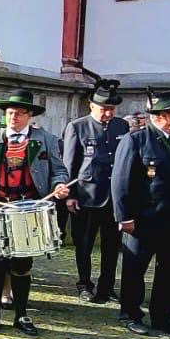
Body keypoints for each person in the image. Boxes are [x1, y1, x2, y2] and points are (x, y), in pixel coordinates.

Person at [0, 90, 71, 335]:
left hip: (28, 211)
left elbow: (59, 170)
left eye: (19, 113)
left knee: (22, 263)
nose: (13, 117)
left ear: (30, 116)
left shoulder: (46, 140)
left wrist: (59, 185)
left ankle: (21, 314)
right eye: (10, 113)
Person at [112, 89, 170, 337]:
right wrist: (124, 217)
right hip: (144, 220)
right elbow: (121, 181)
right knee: (135, 270)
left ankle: (163, 316)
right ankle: (130, 314)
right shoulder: (137, 140)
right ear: (163, 115)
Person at [61, 81, 126, 302]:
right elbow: (69, 164)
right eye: (104, 109)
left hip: (113, 198)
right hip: (86, 195)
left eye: (112, 109)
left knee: (112, 246)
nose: (108, 113)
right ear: (91, 106)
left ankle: (107, 286)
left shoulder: (121, 126)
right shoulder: (77, 127)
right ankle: (84, 284)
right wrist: (70, 195)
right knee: (84, 245)